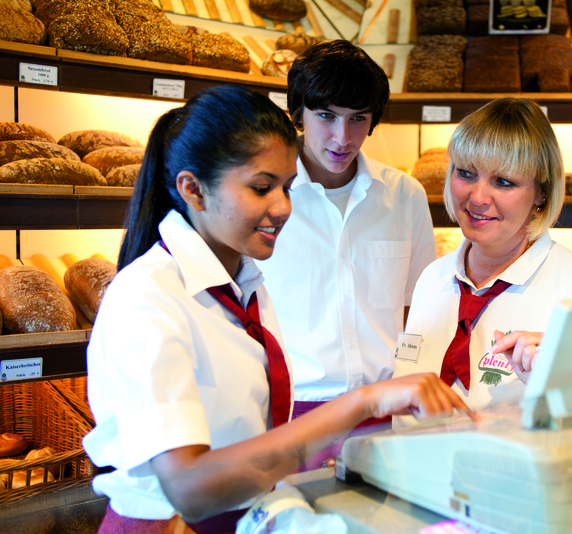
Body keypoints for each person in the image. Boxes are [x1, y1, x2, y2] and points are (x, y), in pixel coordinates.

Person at [82, 86, 472, 534]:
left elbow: (247, 440)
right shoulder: (148, 298)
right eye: (261, 188)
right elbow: (188, 488)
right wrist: (363, 401)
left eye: (286, 187)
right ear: (193, 190)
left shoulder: (243, 284)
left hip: (248, 512)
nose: (283, 208)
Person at [394, 98, 572, 422]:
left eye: (503, 182)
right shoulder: (433, 278)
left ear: (541, 192)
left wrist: (554, 392)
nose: (478, 197)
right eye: (466, 173)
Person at [256, 41, 436, 422]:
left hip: (388, 407)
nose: (343, 137)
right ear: (298, 113)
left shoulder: (405, 196)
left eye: (358, 118)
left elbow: (416, 310)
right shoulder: (261, 198)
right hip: (291, 410)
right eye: (326, 115)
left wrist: (409, 381)